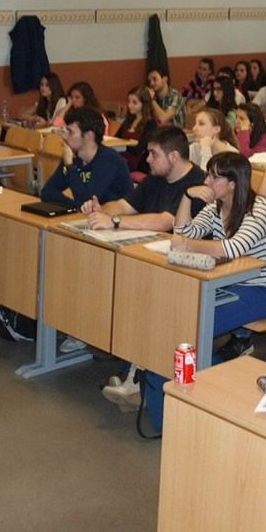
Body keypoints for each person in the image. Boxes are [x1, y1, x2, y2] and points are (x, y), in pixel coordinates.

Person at [85, 126, 207, 408]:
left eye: (153, 154)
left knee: (143, 300)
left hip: (186, 271)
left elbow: (166, 222)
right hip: (154, 261)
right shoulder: (156, 179)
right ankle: (129, 366)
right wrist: (101, 210)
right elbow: (125, 206)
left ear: (174, 156)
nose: (147, 160)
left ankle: (136, 378)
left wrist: (113, 223)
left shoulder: (197, 185)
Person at [173, 152, 266, 360]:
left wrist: (185, 245)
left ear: (233, 183)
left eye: (214, 177)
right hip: (230, 282)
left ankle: (202, 374)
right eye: (208, 175)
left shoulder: (258, 210)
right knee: (183, 307)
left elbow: (231, 249)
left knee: (200, 322)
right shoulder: (215, 208)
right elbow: (184, 231)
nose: (206, 181)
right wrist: (187, 196)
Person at [40, 107, 132, 208]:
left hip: (117, 219)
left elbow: (86, 200)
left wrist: (70, 166)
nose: (64, 136)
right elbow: (48, 192)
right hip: (94, 217)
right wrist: (74, 207)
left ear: (89, 135)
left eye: (70, 132)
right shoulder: (73, 157)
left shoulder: (109, 160)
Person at [115, 86, 157, 176]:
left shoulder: (150, 124)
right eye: (129, 101)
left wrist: (123, 145)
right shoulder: (128, 120)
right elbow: (115, 139)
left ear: (144, 104)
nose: (130, 105)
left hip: (137, 163)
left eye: (134, 102)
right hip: (121, 158)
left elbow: (139, 149)